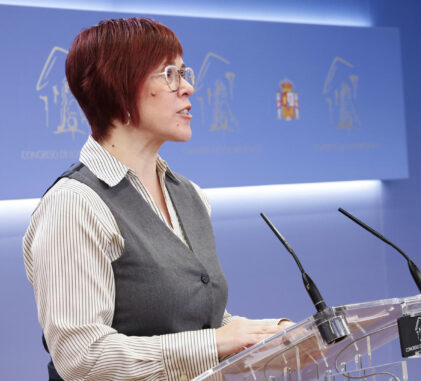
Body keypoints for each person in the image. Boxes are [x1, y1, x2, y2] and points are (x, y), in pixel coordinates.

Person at [22, 17, 291, 381]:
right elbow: (81, 357)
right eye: (170, 75)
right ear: (119, 85)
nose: (189, 88)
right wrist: (215, 343)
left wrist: (268, 336)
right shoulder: (75, 204)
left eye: (185, 73)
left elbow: (192, 319)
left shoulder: (190, 194)